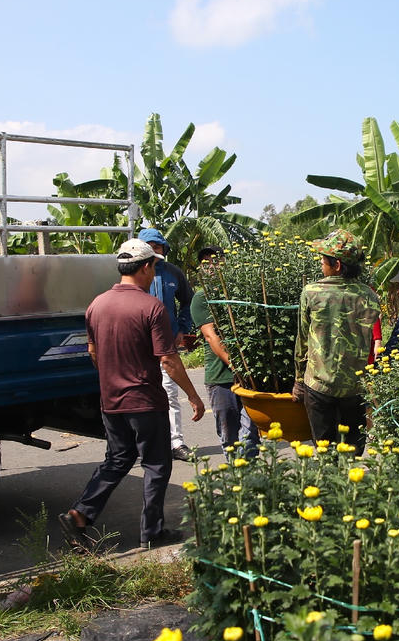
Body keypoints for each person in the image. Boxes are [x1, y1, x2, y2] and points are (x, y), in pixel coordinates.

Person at [58, 238, 205, 551]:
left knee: (118, 458)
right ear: (146, 267)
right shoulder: (150, 307)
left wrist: (114, 377)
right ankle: (152, 532)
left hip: (111, 400)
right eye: (154, 267)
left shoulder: (96, 305)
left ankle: (80, 513)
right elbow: (167, 359)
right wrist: (193, 395)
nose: (155, 273)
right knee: (156, 464)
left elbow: (94, 353)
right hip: (144, 401)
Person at [293, 229, 380, 454]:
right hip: (355, 388)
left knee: (325, 454)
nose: (321, 265)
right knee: (352, 455)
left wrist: (298, 381)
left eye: (323, 261)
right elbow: (370, 339)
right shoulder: (369, 296)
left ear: (337, 265)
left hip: (319, 386)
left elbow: (302, 341)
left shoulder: (311, 293)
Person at [190, 245, 259, 458]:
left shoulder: (240, 292)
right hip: (221, 377)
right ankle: (238, 480)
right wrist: (237, 365)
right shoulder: (202, 298)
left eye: (216, 261)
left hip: (247, 376)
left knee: (251, 433)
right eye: (206, 263)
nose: (212, 267)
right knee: (229, 435)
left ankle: (250, 480)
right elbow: (211, 336)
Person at [136, 227, 196, 462]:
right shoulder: (134, 273)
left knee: (169, 394)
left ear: (164, 249)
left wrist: (182, 329)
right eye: (149, 246)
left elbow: (188, 302)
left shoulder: (173, 273)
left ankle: (176, 443)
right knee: (141, 396)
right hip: (139, 347)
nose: (154, 250)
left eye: (158, 246)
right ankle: (145, 446)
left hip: (166, 346)